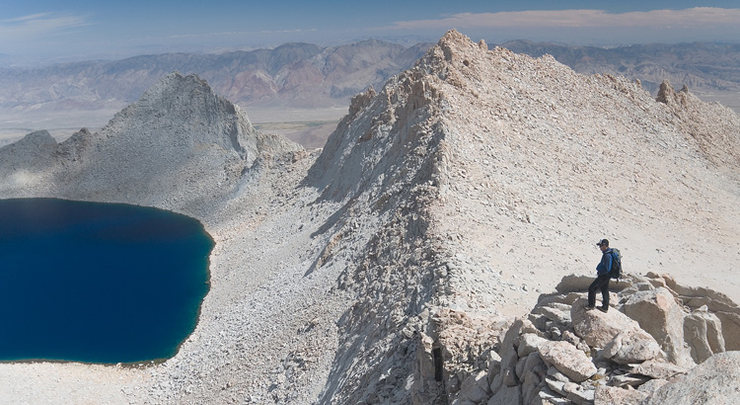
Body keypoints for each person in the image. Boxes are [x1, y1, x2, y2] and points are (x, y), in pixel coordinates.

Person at [587, 238, 615, 312]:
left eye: (601, 246)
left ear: (605, 245)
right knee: (604, 290)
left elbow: (607, 268)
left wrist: (600, 271)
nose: (600, 248)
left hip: (604, 276)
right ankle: (605, 307)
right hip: (607, 276)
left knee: (592, 288)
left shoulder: (607, 255)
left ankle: (591, 305)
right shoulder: (608, 253)